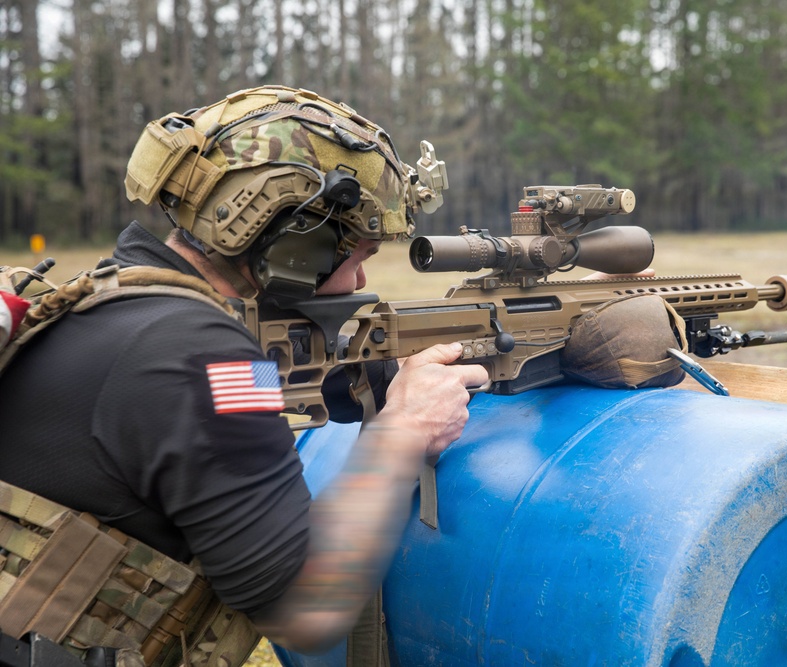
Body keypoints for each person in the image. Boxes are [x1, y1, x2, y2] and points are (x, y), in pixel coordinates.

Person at [0, 85, 488, 661]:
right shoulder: (199, 357)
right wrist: (405, 431)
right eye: (359, 256)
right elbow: (306, 608)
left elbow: (254, 396)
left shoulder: (111, 305)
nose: (359, 283)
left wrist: (385, 373)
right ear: (293, 244)